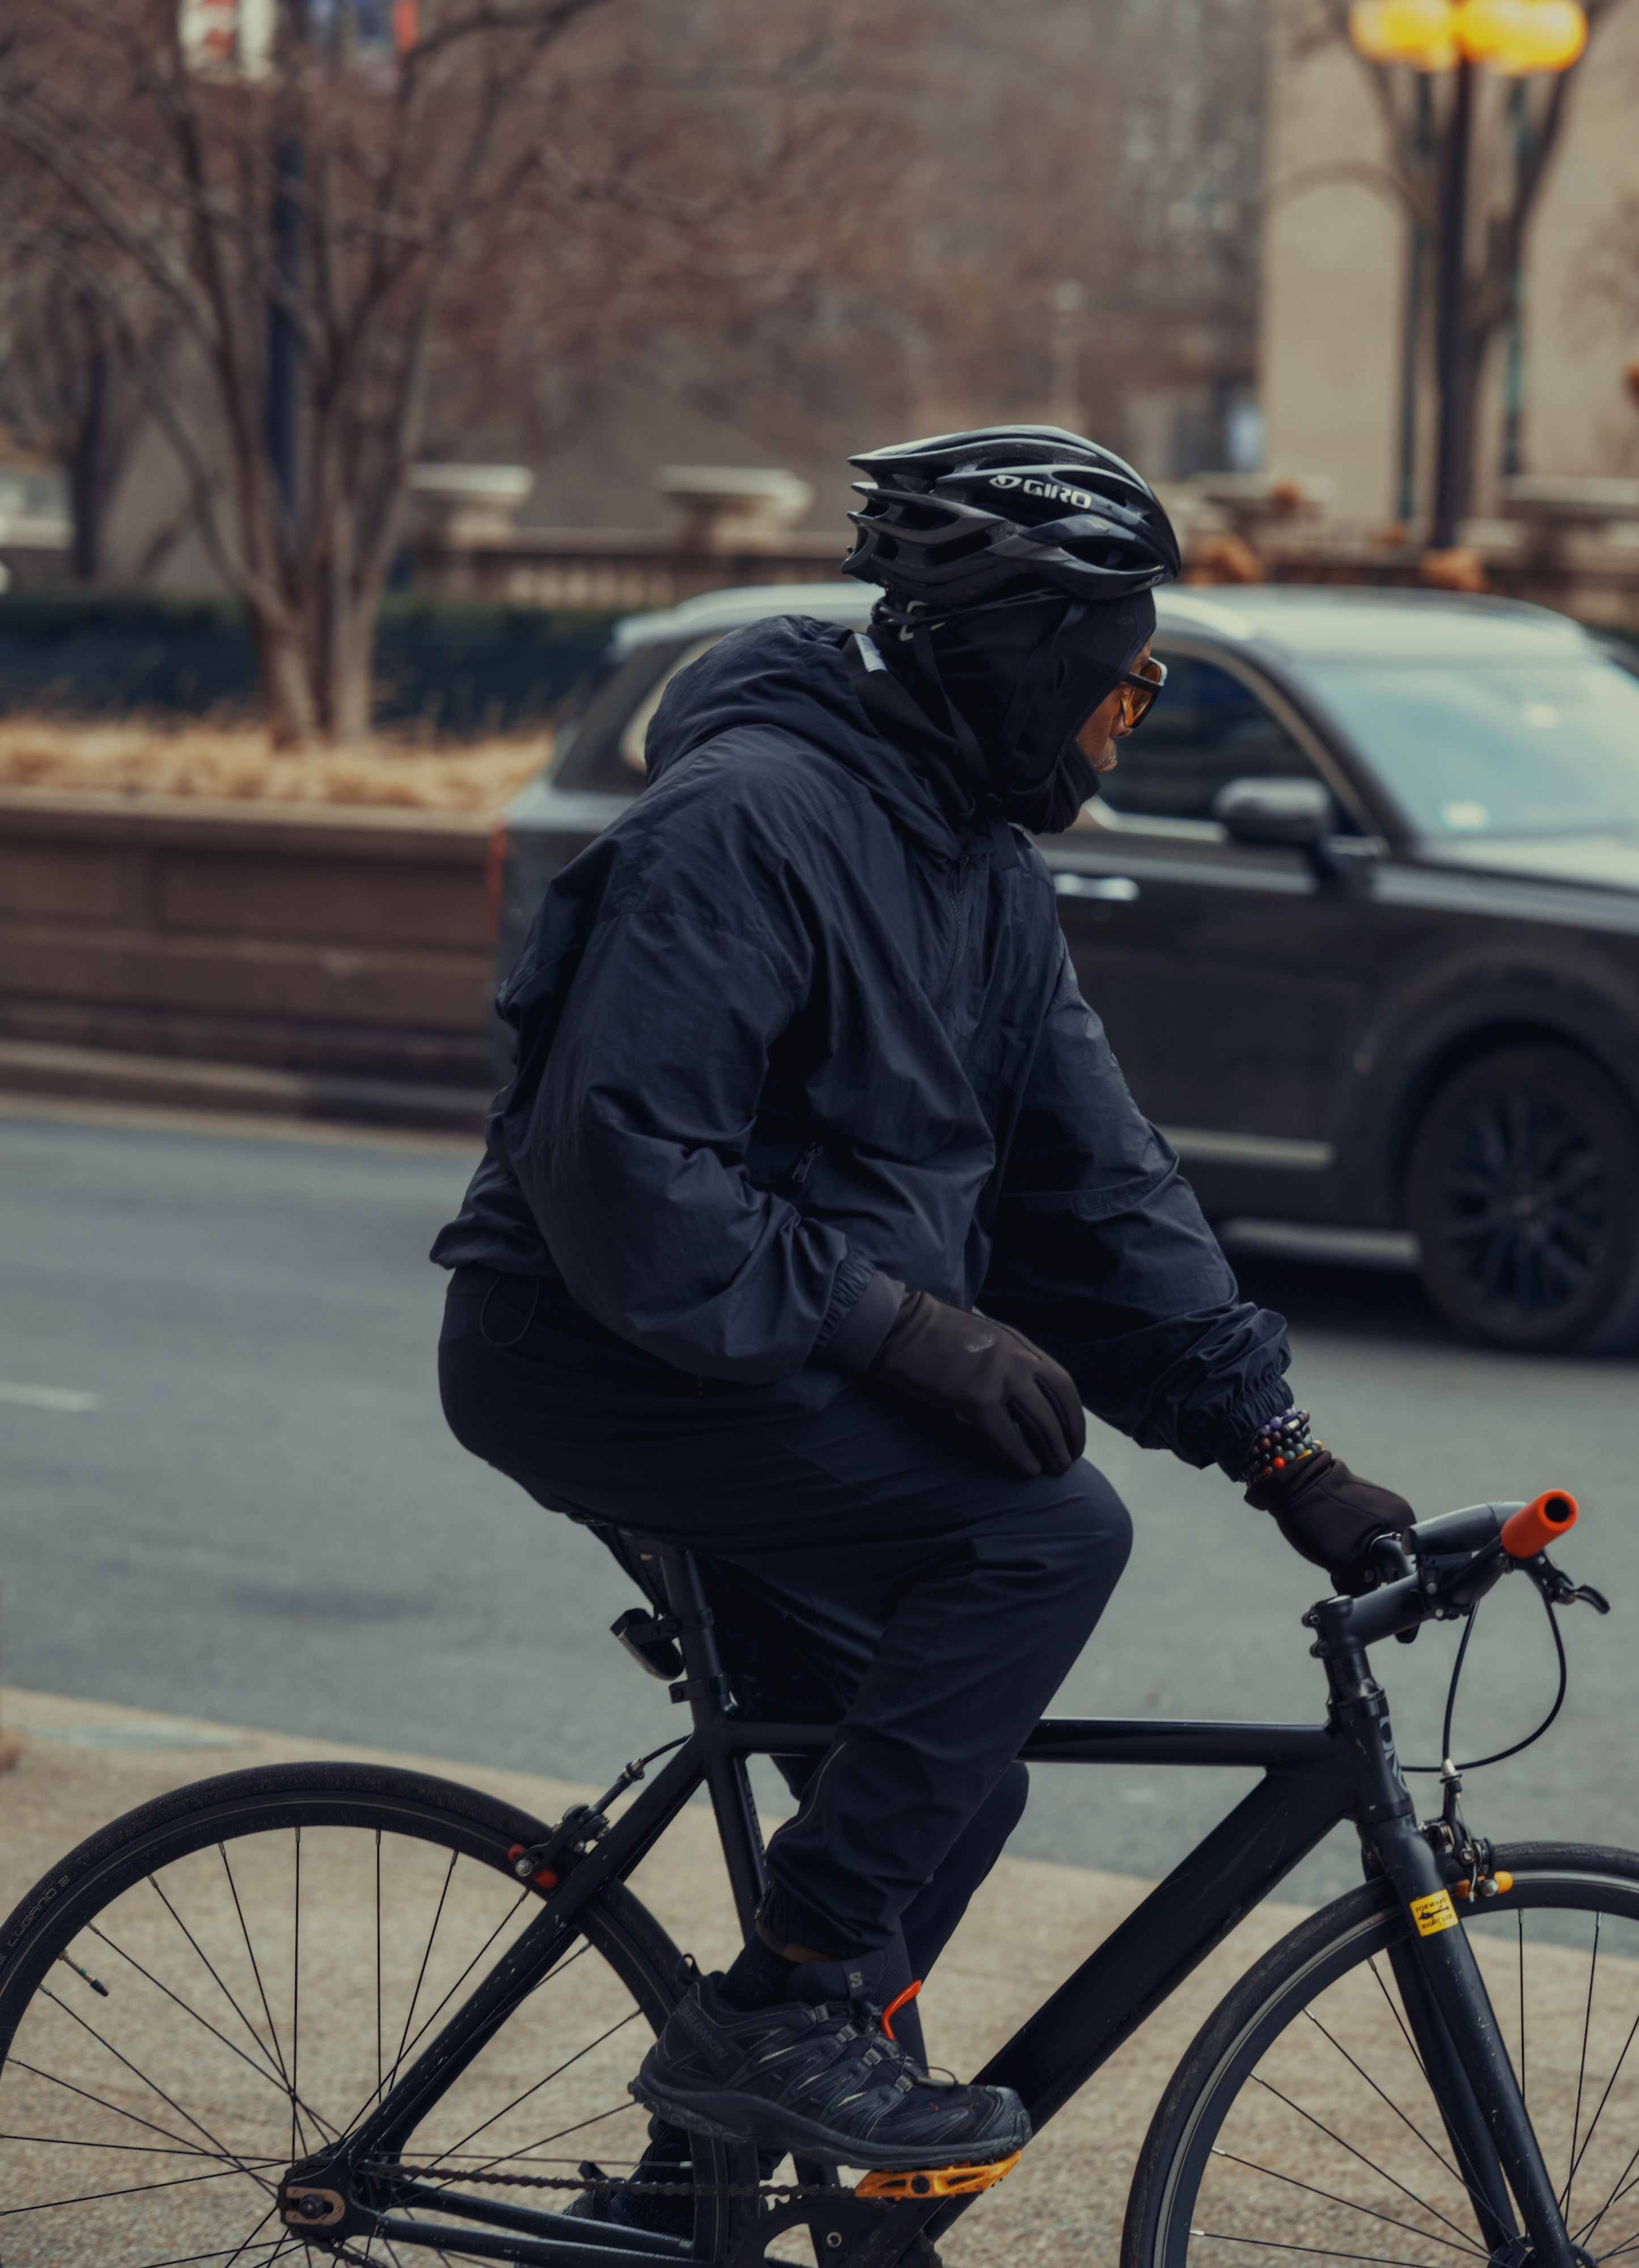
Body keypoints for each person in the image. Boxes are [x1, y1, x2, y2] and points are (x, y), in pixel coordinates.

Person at [432, 427, 1418, 2186]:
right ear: (1029, 653)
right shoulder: (748, 823)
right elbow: (623, 1174)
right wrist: (901, 1328)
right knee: (1039, 1538)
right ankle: (787, 2011)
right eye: (1126, 677)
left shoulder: (976, 864)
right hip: (590, 1350)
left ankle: (703, 2191)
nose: (1136, 713)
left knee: (953, 1781)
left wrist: (1287, 1458)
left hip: (742, 1354)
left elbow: (1101, 1194)